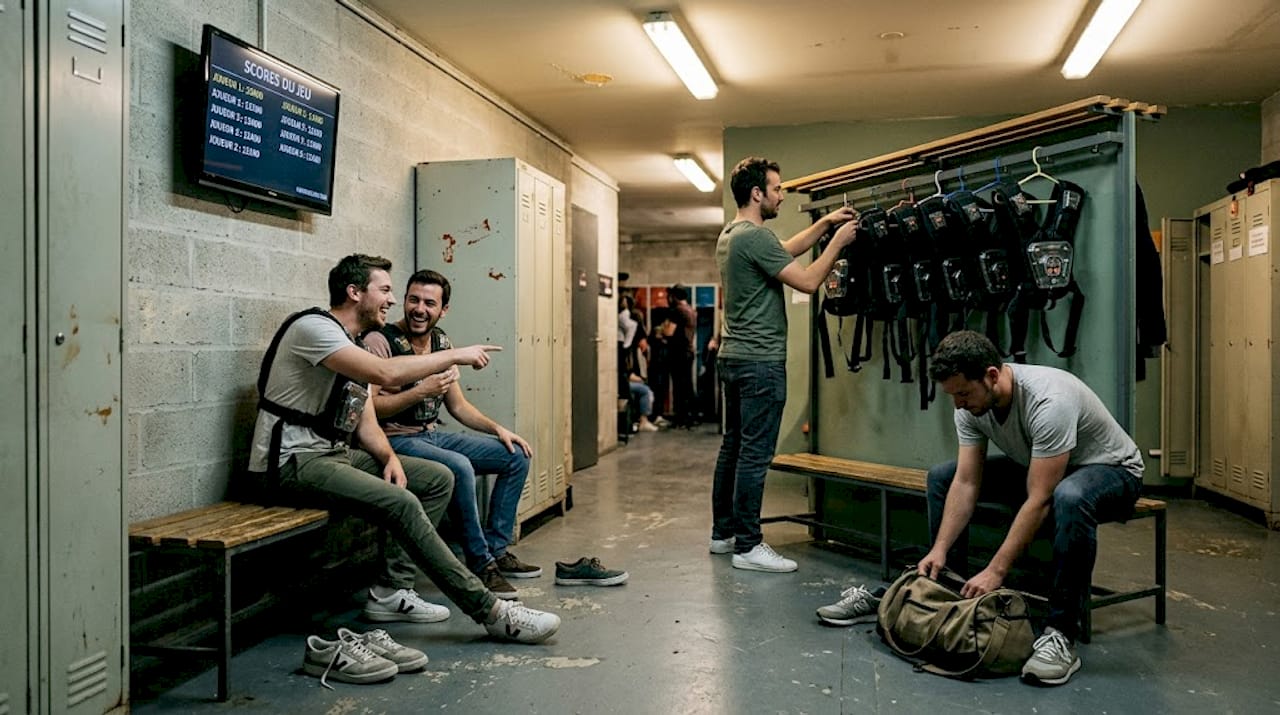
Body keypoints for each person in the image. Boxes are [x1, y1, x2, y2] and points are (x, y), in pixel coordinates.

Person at [246, 254, 560, 655]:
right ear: (354, 292)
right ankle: (492, 611)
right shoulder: (314, 329)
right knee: (401, 503)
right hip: (290, 464)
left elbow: (363, 418)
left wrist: (389, 457)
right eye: (386, 290)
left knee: (436, 478)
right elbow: (387, 376)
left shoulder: (350, 343)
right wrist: (454, 354)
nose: (392, 301)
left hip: (332, 456)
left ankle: (392, 592)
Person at [918, 330, 1143, 686]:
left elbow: (1040, 499)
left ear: (992, 375)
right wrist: (940, 548)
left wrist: (996, 570)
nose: (958, 404)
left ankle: (1061, 634)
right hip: (1046, 464)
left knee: (1070, 496)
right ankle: (950, 598)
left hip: (1112, 470)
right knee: (943, 477)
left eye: (963, 393)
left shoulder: (1048, 400)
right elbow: (966, 482)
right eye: (952, 395)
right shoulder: (969, 406)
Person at [711, 156, 858, 572]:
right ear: (757, 194)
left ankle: (724, 534)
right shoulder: (754, 239)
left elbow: (784, 251)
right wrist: (838, 242)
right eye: (776, 189)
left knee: (734, 447)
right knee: (754, 455)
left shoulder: (733, 235)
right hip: (760, 364)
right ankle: (749, 546)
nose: (781, 195)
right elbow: (809, 281)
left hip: (735, 359)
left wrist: (824, 223)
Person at [362, 269, 541, 601]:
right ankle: (479, 562)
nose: (419, 309)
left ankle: (497, 549)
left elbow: (458, 406)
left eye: (430, 303)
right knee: (458, 466)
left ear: (443, 309)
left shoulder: (442, 342)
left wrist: (498, 429)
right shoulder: (379, 341)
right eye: (413, 299)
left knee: (515, 456)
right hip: (394, 440)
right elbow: (369, 410)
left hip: (430, 435)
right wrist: (420, 392)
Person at [666, 285, 698, 428]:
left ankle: (680, 418)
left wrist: (661, 330)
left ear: (675, 297)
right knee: (688, 385)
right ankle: (692, 417)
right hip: (688, 351)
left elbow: (668, 332)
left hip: (678, 353)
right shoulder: (691, 310)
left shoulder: (677, 311)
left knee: (679, 387)